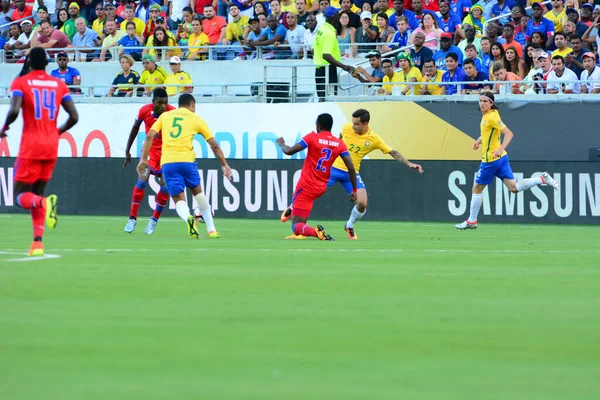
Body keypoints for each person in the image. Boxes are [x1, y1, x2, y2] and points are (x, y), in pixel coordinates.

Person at [294, 108, 422, 239]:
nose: (353, 126)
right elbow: (338, 140)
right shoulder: (346, 128)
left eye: (356, 124)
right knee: (308, 193)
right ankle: (299, 225)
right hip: (332, 170)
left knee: (362, 203)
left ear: (365, 124)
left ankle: (349, 225)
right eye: (352, 122)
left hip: (351, 173)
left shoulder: (374, 139)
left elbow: (392, 152)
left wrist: (409, 163)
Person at [0, 48, 79, 256]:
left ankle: (45, 203)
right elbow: (74, 116)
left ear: (28, 63)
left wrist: (4, 127)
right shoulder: (59, 84)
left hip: (31, 146)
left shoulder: (21, 82)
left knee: (19, 196)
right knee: (36, 194)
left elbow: (15, 110)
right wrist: (57, 131)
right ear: (46, 63)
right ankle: (37, 243)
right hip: (51, 146)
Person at [455, 91, 559, 230]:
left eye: (485, 101)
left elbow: (509, 134)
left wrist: (500, 148)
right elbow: (492, 131)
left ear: (491, 103)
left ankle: (472, 221)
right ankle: (541, 179)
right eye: (480, 101)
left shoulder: (491, 117)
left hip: (491, 160)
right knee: (514, 188)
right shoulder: (490, 115)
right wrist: (480, 139)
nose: (482, 103)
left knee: (477, 188)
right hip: (502, 158)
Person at [137, 93, 232, 239]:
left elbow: (149, 136)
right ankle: (211, 229)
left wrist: (143, 159)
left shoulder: (165, 116)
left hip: (168, 163)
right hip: (187, 161)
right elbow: (214, 145)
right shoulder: (196, 119)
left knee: (178, 199)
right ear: (192, 105)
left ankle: (188, 217)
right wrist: (224, 164)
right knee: (198, 194)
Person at [277, 113, 357, 241]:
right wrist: (354, 190)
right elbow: (351, 168)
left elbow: (289, 151)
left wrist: (281, 144)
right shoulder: (339, 143)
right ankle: (303, 231)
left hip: (306, 185)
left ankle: (316, 233)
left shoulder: (312, 137)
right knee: (301, 220)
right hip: (320, 187)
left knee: (296, 226)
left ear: (318, 126)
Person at [123, 88, 176, 234]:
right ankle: (132, 218)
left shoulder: (173, 112)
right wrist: (127, 150)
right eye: (160, 103)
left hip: (167, 153)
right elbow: (135, 128)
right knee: (142, 178)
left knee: (165, 186)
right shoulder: (144, 111)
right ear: (153, 102)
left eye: (165, 103)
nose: (163, 106)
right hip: (150, 151)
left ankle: (154, 220)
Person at [313, 6, 355, 101]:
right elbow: (326, 55)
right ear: (334, 17)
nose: (339, 16)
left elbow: (314, 50)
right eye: (338, 14)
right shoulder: (329, 33)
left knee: (322, 97)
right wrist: (344, 66)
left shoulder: (321, 29)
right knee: (329, 98)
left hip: (319, 68)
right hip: (327, 69)